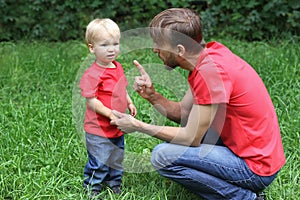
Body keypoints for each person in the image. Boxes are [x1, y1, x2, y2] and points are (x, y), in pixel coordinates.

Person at [110, 8, 286, 200]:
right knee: (182, 141)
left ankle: (245, 198)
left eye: (160, 44)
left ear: (180, 50)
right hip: (249, 152)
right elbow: (184, 113)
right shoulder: (207, 58)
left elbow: (190, 137)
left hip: (255, 168)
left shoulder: (211, 73)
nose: (154, 49)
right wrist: (153, 96)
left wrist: (138, 126)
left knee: (162, 156)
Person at [80, 18, 137, 197]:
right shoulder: (92, 74)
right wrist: (110, 113)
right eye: (105, 45)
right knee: (99, 160)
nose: (112, 49)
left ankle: (114, 183)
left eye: (115, 43)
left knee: (116, 157)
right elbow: (92, 101)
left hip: (117, 127)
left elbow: (122, 88)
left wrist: (129, 102)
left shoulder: (118, 67)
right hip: (99, 129)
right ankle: (93, 186)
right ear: (92, 48)